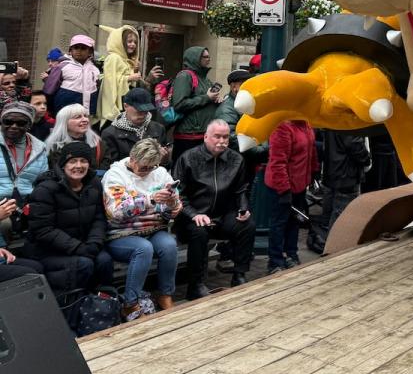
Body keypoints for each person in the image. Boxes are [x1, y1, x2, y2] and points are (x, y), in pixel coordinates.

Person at [102, 138, 181, 320]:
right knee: (143, 249)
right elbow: (116, 211)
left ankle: (165, 294)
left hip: (153, 229)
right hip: (121, 234)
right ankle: (130, 304)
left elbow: (170, 209)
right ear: (132, 159)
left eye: (152, 167)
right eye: (144, 167)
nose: (148, 172)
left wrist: (172, 205)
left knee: (169, 244)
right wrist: (150, 199)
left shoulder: (159, 172)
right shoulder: (115, 175)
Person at [173, 120, 252, 299]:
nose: (222, 141)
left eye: (225, 137)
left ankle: (239, 275)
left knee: (247, 225)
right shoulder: (188, 158)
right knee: (199, 232)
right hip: (192, 217)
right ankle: (196, 285)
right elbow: (177, 194)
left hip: (222, 216)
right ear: (206, 137)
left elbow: (241, 189)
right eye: (217, 136)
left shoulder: (236, 159)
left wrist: (243, 208)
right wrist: (194, 214)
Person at [23, 141, 113, 297]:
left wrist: (94, 243)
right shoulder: (45, 189)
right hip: (48, 252)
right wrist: (79, 248)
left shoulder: (94, 184)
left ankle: (103, 303)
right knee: (83, 264)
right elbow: (43, 230)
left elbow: (99, 218)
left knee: (104, 260)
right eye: (72, 161)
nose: (78, 166)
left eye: (83, 161)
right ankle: (74, 306)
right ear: (63, 164)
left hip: (82, 244)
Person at [264, 120, 317, 273]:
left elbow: (311, 150)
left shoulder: (306, 124)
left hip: (299, 184)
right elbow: (278, 162)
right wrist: (284, 190)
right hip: (281, 186)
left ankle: (291, 255)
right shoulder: (282, 127)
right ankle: (275, 261)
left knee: (294, 221)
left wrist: (314, 171)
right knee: (279, 224)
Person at [310, 130, 370, 254]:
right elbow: (353, 143)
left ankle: (329, 246)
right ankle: (335, 250)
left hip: (334, 171)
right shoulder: (347, 118)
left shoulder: (333, 115)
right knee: (342, 214)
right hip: (346, 174)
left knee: (333, 212)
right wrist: (366, 159)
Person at [0, 102, 49, 245]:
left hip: (26, 204)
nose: (14, 126)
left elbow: (42, 182)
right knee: (4, 224)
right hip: (2, 203)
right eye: (8, 121)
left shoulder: (39, 148)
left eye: (21, 123)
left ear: (29, 125)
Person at [97, 26, 162, 127]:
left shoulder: (128, 61)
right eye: (129, 41)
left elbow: (134, 87)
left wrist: (148, 78)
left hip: (128, 107)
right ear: (120, 42)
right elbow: (109, 83)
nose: (133, 45)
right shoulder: (113, 58)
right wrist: (129, 78)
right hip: (116, 109)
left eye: (135, 42)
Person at [171, 47, 219, 163]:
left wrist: (216, 101)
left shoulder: (205, 79)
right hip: (188, 137)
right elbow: (179, 104)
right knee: (184, 172)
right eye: (205, 57)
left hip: (203, 134)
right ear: (195, 58)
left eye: (209, 56)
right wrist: (207, 98)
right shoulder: (185, 76)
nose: (208, 59)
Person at [100, 88, 166, 167]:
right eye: (139, 110)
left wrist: (165, 158)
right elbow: (109, 167)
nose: (143, 114)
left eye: (146, 110)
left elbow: (165, 165)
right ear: (125, 106)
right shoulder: (110, 134)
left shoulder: (158, 129)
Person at [43, 35, 100, 119]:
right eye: (76, 47)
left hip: (87, 111)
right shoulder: (62, 66)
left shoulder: (94, 70)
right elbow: (49, 90)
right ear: (70, 50)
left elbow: (97, 87)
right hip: (65, 109)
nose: (79, 51)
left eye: (83, 48)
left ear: (90, 52)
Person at [46, 105, 103, 170]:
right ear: (64, 123)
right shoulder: (54, 147)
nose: (85, 120)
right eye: (78, 117)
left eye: (85, 116)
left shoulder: (98, 143)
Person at [214, 69, 252, 137]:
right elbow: (230, 136)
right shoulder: (226, 109)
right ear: (234, 87)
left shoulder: (245, 102)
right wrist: (259, 147)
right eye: (244, 84)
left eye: (250, 84)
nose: (249, 88)